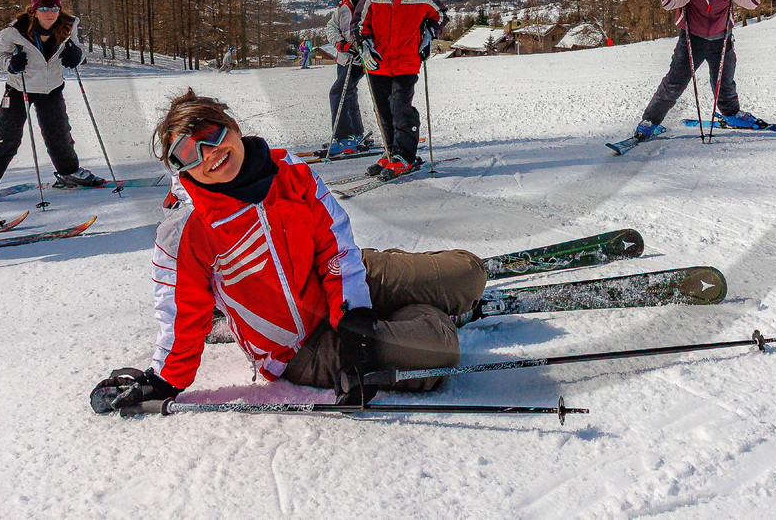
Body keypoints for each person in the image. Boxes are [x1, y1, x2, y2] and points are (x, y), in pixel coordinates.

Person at [89, 90, 485, 414]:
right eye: (189, 153)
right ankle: (421, 312)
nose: (209, 153)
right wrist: (163, 380)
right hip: (300, 346)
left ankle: (395, 306)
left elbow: (334, 239)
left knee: (469, 273)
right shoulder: (186, 230)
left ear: (234, 127)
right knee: (440, 349)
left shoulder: (288, 171)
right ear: (179, 167)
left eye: (213, 134)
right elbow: (180, 312)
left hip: (339, 277)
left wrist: (355, 314)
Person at [0, 0, 106, 203]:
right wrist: (11, 64)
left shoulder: (68, 25)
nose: (50, 13)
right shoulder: (15, 31)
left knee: (59, 134)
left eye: (54, 8)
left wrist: (77, 54)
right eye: (44, 8)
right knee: (7, 137)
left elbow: (79, 48)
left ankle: (69, 173)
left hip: (51, 87)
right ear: (34, 10)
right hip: (20, 88)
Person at [632, 0, 763, 141]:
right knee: (674, 83)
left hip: (722, 36)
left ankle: (731, 114)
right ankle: (650, 122)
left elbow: (753, 1)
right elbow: (668, 2)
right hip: (692, 38)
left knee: (724, 82)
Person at [356, 0, 448, 178]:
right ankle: (390, 152)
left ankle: (404, 156)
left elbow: (440, 15)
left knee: (401, 107)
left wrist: (429, 34)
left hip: (407, 62)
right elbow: (359, 24)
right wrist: (364, 45)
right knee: (384, 111)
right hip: (378, 63)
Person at [325, 0, 376, 157]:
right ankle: (357, 134)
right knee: (349, 93)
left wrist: (362, 47)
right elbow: (331, 26)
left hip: (362, 57)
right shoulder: (344, 2)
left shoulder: (374, 2)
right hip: (345, 57)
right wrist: (340, 44)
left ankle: (344, 137)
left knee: (337, 92)